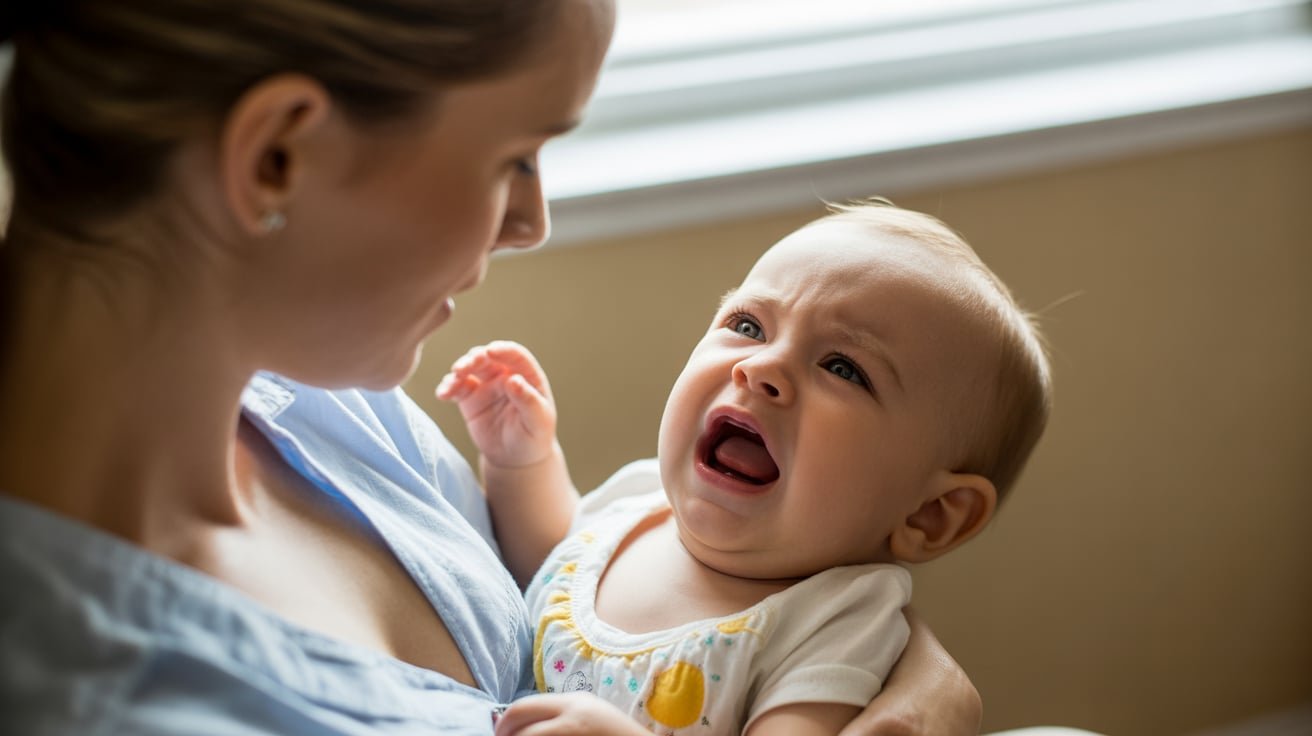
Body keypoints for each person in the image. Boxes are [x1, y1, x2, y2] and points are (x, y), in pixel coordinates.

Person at [0, 0, 980, 733]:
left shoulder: (334, 404)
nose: (530, 221)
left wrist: (881, 654)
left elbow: (605, 586)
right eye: (515, 155)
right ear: (276, 157)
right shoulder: (107, 697)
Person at [438, 200, 1052, 736]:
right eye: (749, 325)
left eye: (842, 368)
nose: (761, 368)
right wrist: (521, 461)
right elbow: (543, 558)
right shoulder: (640, 498)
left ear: (931, 514)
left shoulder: (833, 627)